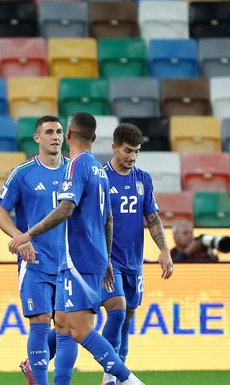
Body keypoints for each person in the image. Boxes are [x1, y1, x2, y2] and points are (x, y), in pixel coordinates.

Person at [9, 112, 145, 385]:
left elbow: (66, 208)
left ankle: (127, 380)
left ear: (68, 134)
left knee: (80, 330)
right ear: (94, 138)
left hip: (76, 259)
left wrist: (29, 233)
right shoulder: (99, 169)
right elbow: (108, 220)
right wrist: (106, 258)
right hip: (89, 258)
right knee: (61, 325)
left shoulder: (75, 166)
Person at [0, 116, 68, 385]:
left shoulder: (74, 171)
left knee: (68, 325)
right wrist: (20, 238)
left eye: (59, 131)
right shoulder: (23, 172)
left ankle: (31, 364)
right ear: (37, 138)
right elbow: (0, 213)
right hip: (34, 260)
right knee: (39, 321)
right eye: (49, 132)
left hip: (68, 263)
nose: (55, 136)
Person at [99, 124, 174, 385]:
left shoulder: (143, 179)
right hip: (108, 262)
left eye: (136, 152)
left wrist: (164, 249)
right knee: (117, 312)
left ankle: (119, 376)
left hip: (135, 263)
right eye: (128, 151)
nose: (132, 157)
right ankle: (109, 376)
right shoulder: (100, 177)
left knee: (127, 318)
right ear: (114, 147)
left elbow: (152, 219)